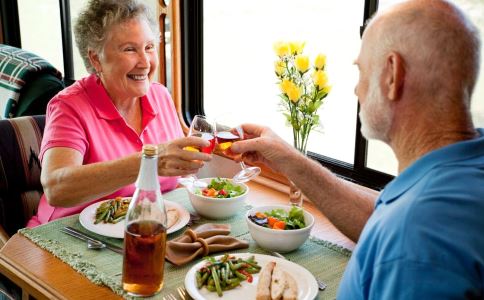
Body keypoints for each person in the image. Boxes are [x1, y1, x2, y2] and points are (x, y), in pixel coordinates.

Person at [231, 0, 484, 298]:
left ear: (392, 74)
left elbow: (404, 236)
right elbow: (381, 219)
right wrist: (289, 159)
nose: (356, 89)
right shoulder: (457, 176)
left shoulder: (416, 239)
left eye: (361, 70)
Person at [27, 0, 211, 227]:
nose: (145, 62)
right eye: (130, 49)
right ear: (96, 58)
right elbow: (56, 188)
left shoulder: (160, 96)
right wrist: (150, 161)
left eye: (149, 47)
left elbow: (179, 178)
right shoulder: (69, 106)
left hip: (141, 229)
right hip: (70, 234)